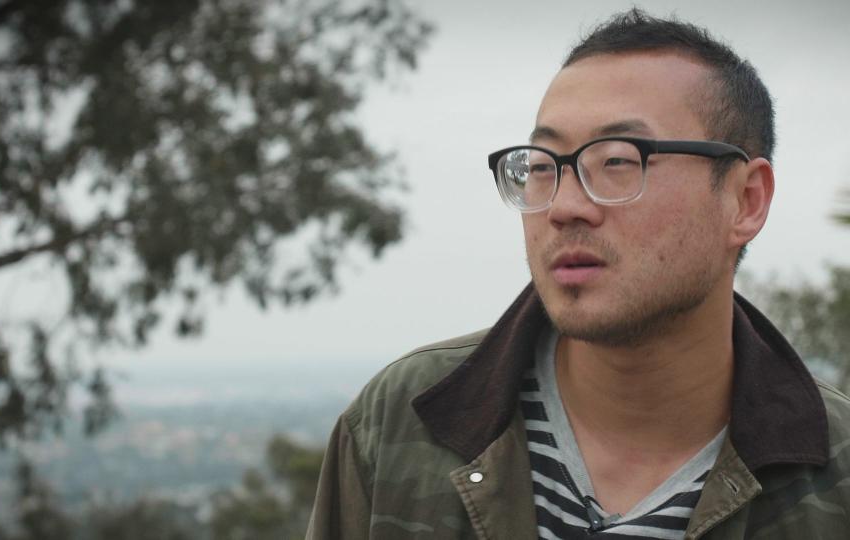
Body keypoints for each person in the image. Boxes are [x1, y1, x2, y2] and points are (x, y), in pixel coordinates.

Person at [306, 8, 850, 540]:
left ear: (745, 200)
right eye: (542, 166)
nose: (564, 207)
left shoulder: (834, 475)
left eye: (617, 160)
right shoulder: (404, 423)